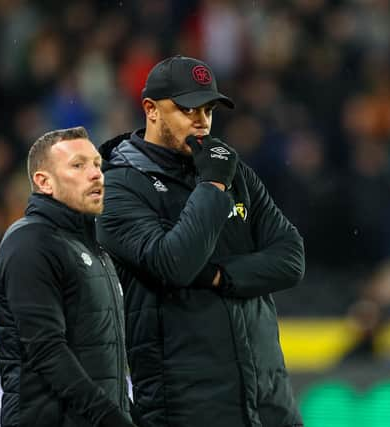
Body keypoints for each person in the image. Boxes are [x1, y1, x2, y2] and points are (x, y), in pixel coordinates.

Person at [96, 55, 305, 427]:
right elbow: (175, 264)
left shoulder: (231, 169)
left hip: (267, 401)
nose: (202, 119)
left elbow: (291, 258)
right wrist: (211, 186)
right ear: (151, 109)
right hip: (187, 406)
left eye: (208, 108)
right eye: (187, 108)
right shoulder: (118, 187)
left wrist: (220, 277)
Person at [0, 127, 136, 427]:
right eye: (78, 165)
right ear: (44, 182)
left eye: (97, 164)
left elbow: (100, 361)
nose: (96, 174)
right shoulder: (30, 243)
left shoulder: (94, 249)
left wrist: (129, 413)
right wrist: (112, 419)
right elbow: (47, 351)